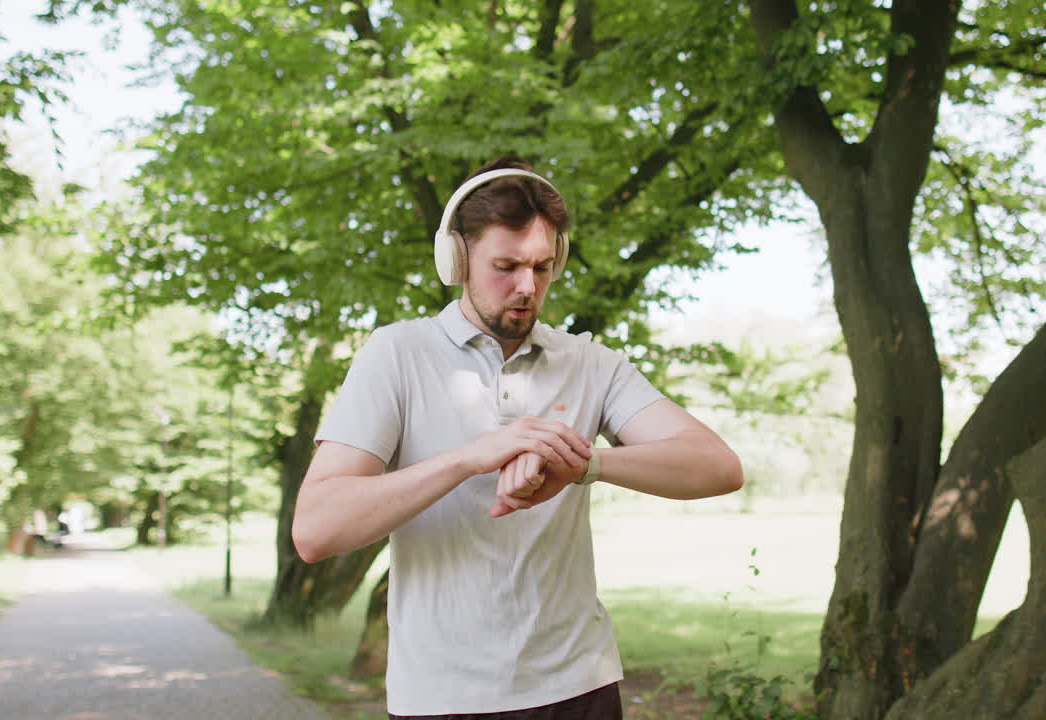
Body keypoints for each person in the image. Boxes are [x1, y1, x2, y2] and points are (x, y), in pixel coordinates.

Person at [292, 155, 744, 719]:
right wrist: (468, 459)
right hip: (443, 698)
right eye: (505, 265)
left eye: (542, 266)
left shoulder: (591, 363)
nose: (527, 287)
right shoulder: (395, 355)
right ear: (456, 258)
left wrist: (583, 465)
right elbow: (315, 530)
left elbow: (718, 466)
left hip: (581, 688)